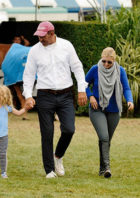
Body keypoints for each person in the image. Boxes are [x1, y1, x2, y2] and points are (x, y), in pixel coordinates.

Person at [23, 21, 88, 178]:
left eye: (43, 36)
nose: (40, 39)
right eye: (38, 36)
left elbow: (77, 68)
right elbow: (29, 74)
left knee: (69, 129)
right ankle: (49, 170)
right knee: (47, 133)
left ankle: (58, 156)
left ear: (52, 33)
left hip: (66, 94)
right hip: (45, 95)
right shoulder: (34, 51)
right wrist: (28, 95)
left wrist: (81, 90)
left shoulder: (66, 46)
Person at [86, 47, 134, 178]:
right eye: (104, 61)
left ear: (114, 61)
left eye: (109, 62)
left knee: (106, 140)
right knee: (104, 137)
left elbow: (126, 88)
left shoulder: (120, 71)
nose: (106, 65)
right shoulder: (95, 69)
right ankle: (107, 167)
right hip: (97, 109)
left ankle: (102, 169)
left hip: (114, 110)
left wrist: (130, 100)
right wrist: (90, 96)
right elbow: (84, 84)